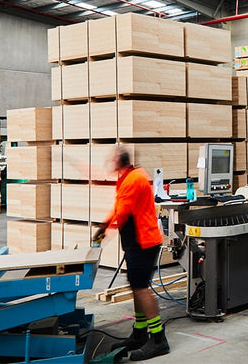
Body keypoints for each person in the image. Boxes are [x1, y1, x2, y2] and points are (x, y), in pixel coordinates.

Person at [93, 146, 169, 360]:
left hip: (143, 242)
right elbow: (119, 207)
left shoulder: (133, 179)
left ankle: (158, 339)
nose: (110, 162)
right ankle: (139, 332)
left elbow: (123, 213)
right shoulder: (129, 177)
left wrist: (102, 234)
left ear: (120, 161)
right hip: (139, 242)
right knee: (137, 286)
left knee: (141, 289)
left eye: (113, 159)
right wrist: (102, 227)